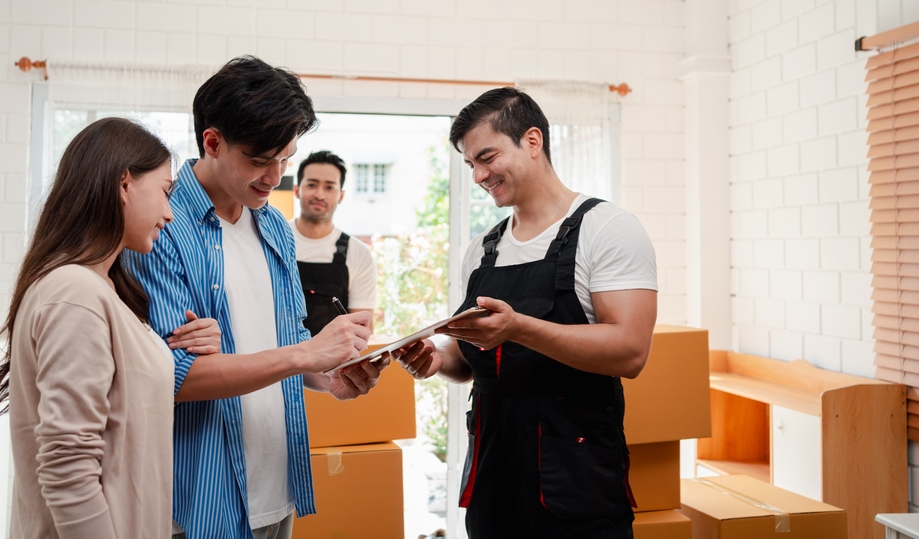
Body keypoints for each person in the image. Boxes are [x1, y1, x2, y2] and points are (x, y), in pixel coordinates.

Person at [122, 56, 388, 539]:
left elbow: (282, 343)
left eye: (285, 159)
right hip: (199, 499)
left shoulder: (273, 228)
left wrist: (326, 376)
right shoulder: (158, 228)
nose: (276, 177)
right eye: (261, 160)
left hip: (277, 484)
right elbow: (174, 378)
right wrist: (305, 352)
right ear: (213, 141)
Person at [395, 88, 658, 539]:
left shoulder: (608, 229)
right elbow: (472, 357)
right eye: (470, 165)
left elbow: (630, 352)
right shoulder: (482, 250)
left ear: (532, 141)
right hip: (492, 485)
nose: (479, 175)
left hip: (578, 488)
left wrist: (518, 327)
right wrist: (438, 357)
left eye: (487, 157)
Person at [0, 118, 222, 539]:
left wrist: (187, 347)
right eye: (166, 192)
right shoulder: (74, 293)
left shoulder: (101, 288)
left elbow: (123, 406)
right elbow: (67, 468)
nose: (169, 214)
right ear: (124, 184)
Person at [289, 150, 378, 336]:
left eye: (329, 187)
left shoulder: (358, 254)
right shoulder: (273, 240)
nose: (320, 194)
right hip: (275, 362)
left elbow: (362, 331)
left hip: (334, 364)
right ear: (297, 190)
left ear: (341, 195)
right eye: (312, 185)